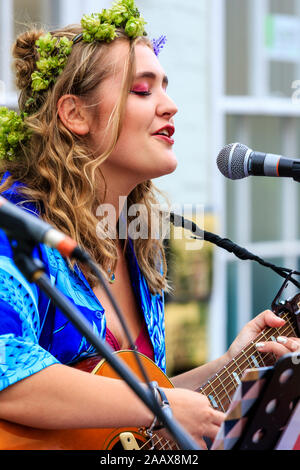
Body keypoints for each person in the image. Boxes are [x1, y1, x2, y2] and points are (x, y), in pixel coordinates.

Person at [0, 0, 299, 450]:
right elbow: (8, 373)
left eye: (166, 87)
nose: (171, 106)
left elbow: (126, 423)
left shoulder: (138, 242)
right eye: (143, 90)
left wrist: (231, 365)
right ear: (75, 114)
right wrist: (158, 402)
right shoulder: (17, 231)